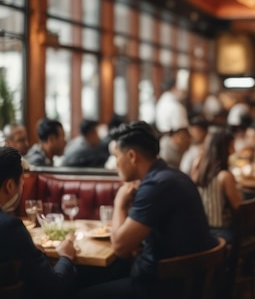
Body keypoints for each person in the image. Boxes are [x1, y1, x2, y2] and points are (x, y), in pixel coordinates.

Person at [79, 121, 217, 299]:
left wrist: (120, 202)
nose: (115, 164)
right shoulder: (172, 176)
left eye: (116, 156)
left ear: (131, 156)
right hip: (184, 279)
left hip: (163, 287)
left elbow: (120, 247)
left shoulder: (155, 186)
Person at [0, 146, 77, 299]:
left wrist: (29, 250)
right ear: (10, 186)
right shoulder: (10, 227)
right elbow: (54, 287)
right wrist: (66, 256)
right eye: (21, 182)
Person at [193, 131, 241, 243]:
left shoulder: (199, 171)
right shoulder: (225, 176)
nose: (234, 151)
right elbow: (238, 205)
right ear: (223, 149)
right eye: (231, 146)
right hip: (221, 231)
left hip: (201, 229)